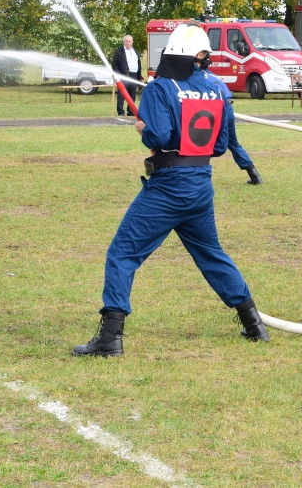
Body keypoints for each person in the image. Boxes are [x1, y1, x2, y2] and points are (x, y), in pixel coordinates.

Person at [72, 24, 269, 357]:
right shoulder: (219, 88)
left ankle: (110, 337)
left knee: (122, 253)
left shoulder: (161, 88)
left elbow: (158, 137)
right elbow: (221, 145)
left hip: (168, 187)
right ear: (201, 56)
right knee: (211, 253)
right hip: (200, 184)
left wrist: (143, 129)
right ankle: (254, 324)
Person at [201, 59, 264, 185]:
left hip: (217, 109)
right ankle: (254, 175)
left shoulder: (198, 78)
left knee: (201, 142)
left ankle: (198, 174)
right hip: (228, 108)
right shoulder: (213, 75)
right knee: (234, 143)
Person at [111, 34, 141, 116]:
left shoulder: (136, 52)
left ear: (132, 42)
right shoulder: (119, 52)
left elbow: (138, 65)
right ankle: (120, 112)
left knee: (132, 94)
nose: (128, 43)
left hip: (134, 76)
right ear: (123, 42)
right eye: (126, 41)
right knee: (122, 95)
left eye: (129, 41)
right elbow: (114, 64)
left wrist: (139, 77)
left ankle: (131, 111)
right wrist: (119, 75)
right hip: (124, 75)